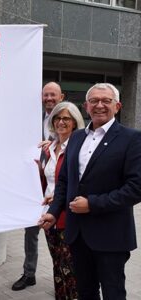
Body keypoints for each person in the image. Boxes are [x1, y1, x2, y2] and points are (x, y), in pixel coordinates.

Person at [39, 83, 141, 300]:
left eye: (106, 101)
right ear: (86, 106)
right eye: (94, 101)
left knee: (113, 293)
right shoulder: (76, 138)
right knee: (85, 292)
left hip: (110, 235)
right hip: (77, 234)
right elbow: (65, 180)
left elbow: (135, 188)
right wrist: (54, 212)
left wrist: (92, 204)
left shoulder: (131, 139)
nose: (100, 105)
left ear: (118, 106)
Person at [12, 82, 64, 291]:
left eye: (53, 95)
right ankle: (29, 273)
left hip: (56, 187)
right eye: (45, 95)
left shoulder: (67, 118)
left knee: (60, 238)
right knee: (30, 232)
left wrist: (51, 145)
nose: (49, 99)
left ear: (62, 97)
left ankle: (62, 280)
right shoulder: (33, 120)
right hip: (33, 185)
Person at [41, 102, 85, 299]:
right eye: (57, 118)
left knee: (72, 270)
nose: (61, 122)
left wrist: (60, 198)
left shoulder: (81, 148)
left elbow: (82, 183)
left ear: (75, 122)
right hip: (49, 216)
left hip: (69, 216)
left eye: (66, 118)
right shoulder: (48, 148)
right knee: (57, 266)